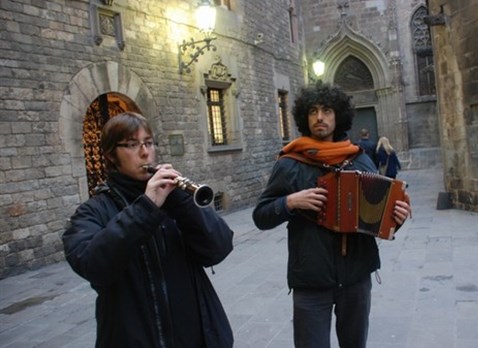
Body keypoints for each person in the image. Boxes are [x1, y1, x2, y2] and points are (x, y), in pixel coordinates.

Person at [252, 83, 411, 348]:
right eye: (313, 111)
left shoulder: (360, 160)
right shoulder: (289, 163)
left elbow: (381, 216)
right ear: (305, 117)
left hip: (356, 278)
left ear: (338, 116)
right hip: (311, 279)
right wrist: (290, 201)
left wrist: (398, 217)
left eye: (326, 110)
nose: (319, 117)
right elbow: (261, 215)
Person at [62, 112, 235, 348]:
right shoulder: (91, 212)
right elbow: (93, 265)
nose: (145, 152)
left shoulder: (175, 200)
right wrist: (147, 207)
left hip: (197, 337)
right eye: (132, 145)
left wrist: (182, 202)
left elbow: (219, 248)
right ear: (112, 155)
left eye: (148, 142)